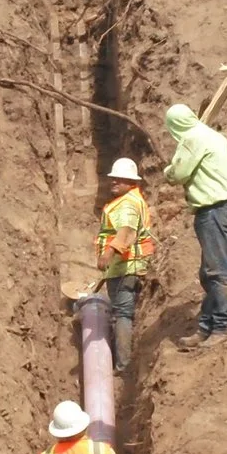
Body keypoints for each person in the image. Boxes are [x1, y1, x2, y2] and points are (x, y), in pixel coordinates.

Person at [163, 102, 227, 344]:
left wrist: (168, 171)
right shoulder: (217, 137)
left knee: (219, 271)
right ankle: (206, 327)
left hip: (213, 210)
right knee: (209, 273)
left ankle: (224, 328)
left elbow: (178, 173)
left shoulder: (191, 139)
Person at [95, 156, 156, 371]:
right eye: (113, 178)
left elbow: (127, 230)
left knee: (121, 313)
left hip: (125, 266)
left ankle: (123, 366)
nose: (114, 182)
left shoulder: (127, 203)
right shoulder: (133, 199)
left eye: (120, 179)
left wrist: (108, 252)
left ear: (132, 182)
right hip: (129, 266)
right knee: (123, 312)